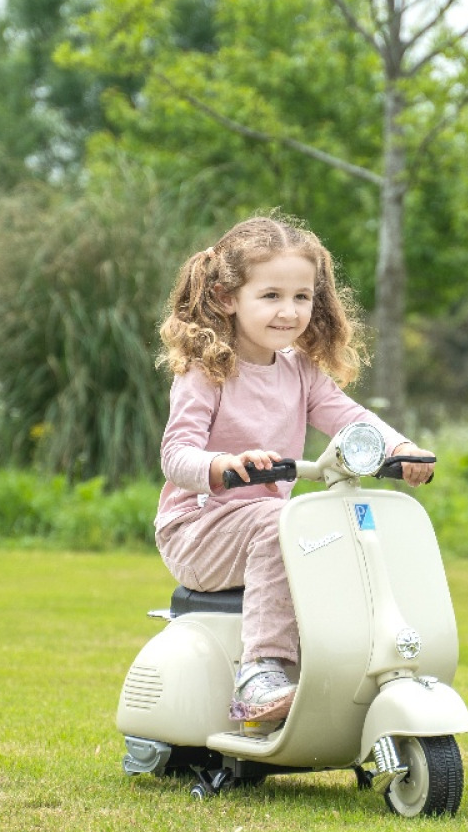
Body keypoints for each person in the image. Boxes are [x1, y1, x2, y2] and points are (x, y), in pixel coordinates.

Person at [153, 214, 435, 724]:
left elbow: (350, 418)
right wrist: (223, 464)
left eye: (302, 297)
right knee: (282, 521)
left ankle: (347, 668)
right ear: (225, 298)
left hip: (267, 528)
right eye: (271, 296)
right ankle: (260, 671)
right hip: (197, 528)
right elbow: (176, 454)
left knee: (333, 527)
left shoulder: (301, 371)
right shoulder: (205, 372)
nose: (289, 311)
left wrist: (401, 447)